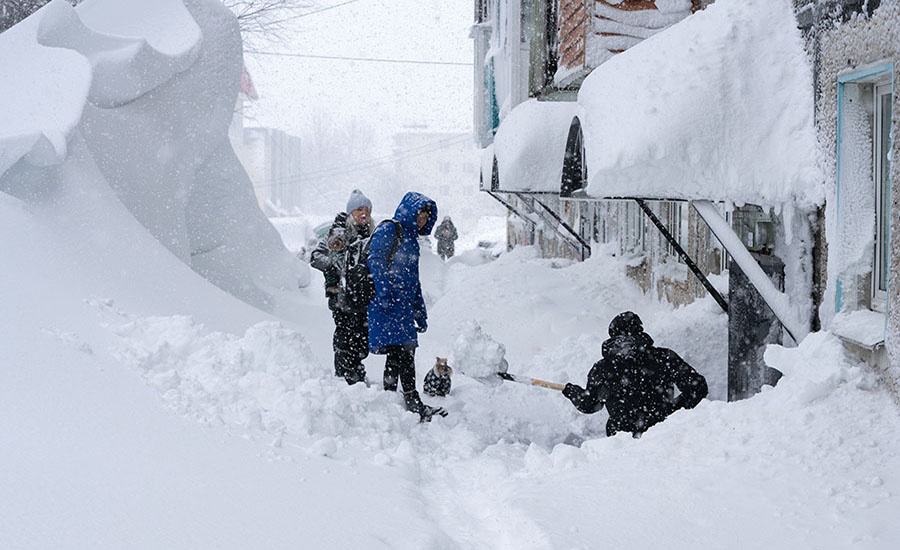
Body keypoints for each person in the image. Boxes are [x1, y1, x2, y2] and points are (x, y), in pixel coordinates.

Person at [367, 191, 447, 422]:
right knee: (401, 353)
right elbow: (376, 259)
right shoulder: (389, 229)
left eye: (426, 216)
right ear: (410, 211)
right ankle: (409, 401)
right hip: (387, 303)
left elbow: (413, 279)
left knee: (401, 353)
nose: (422, 219)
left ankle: (395, 400)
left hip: (402, 306)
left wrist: (419, 311)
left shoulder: (412, 240)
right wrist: (383, 291)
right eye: (420, 213)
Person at [562, 311, 708, 437]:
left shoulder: (603, 368)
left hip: (621, 442)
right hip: (664, 434)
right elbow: (697, 387)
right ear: (640, 331)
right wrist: (675, 411)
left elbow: (590, 405)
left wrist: (574, 393)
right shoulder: (663, 358)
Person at [310, 189, 374, 385]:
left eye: (367, 210)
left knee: (362, 338)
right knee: (346, 336)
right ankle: (345, 376)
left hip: (362, 297)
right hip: (341, 297)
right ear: (350, 213)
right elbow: (316, 257)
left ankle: (356, 371)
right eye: (359, 210)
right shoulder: (339, 231)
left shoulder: (373, 233)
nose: (364, 214)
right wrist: (337, 268)